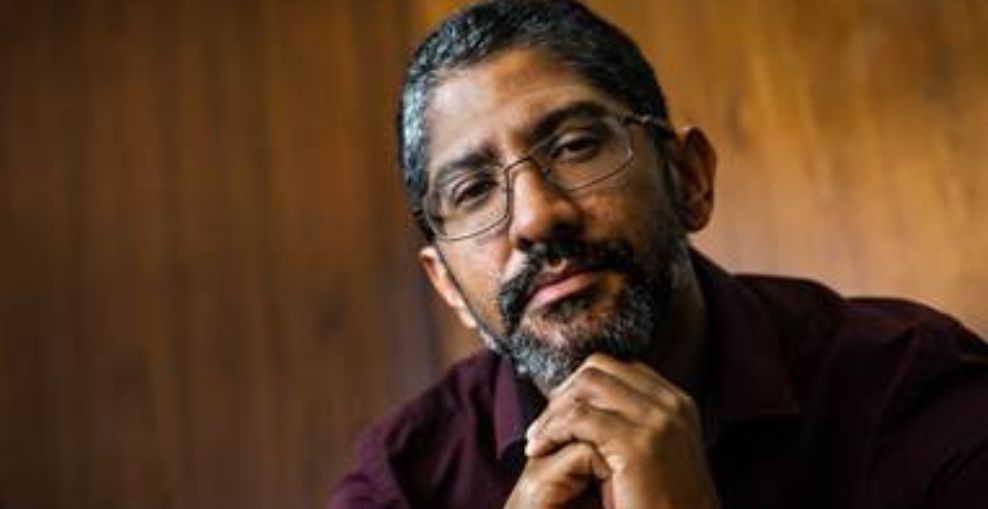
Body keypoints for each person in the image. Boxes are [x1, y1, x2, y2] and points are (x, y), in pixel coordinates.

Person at [330, 1, 988, 507]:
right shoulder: (401, 483)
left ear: (688, 178)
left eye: (575, 146)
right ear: (446, 284)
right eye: (473, 191)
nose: (535, 216)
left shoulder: (911, 386)